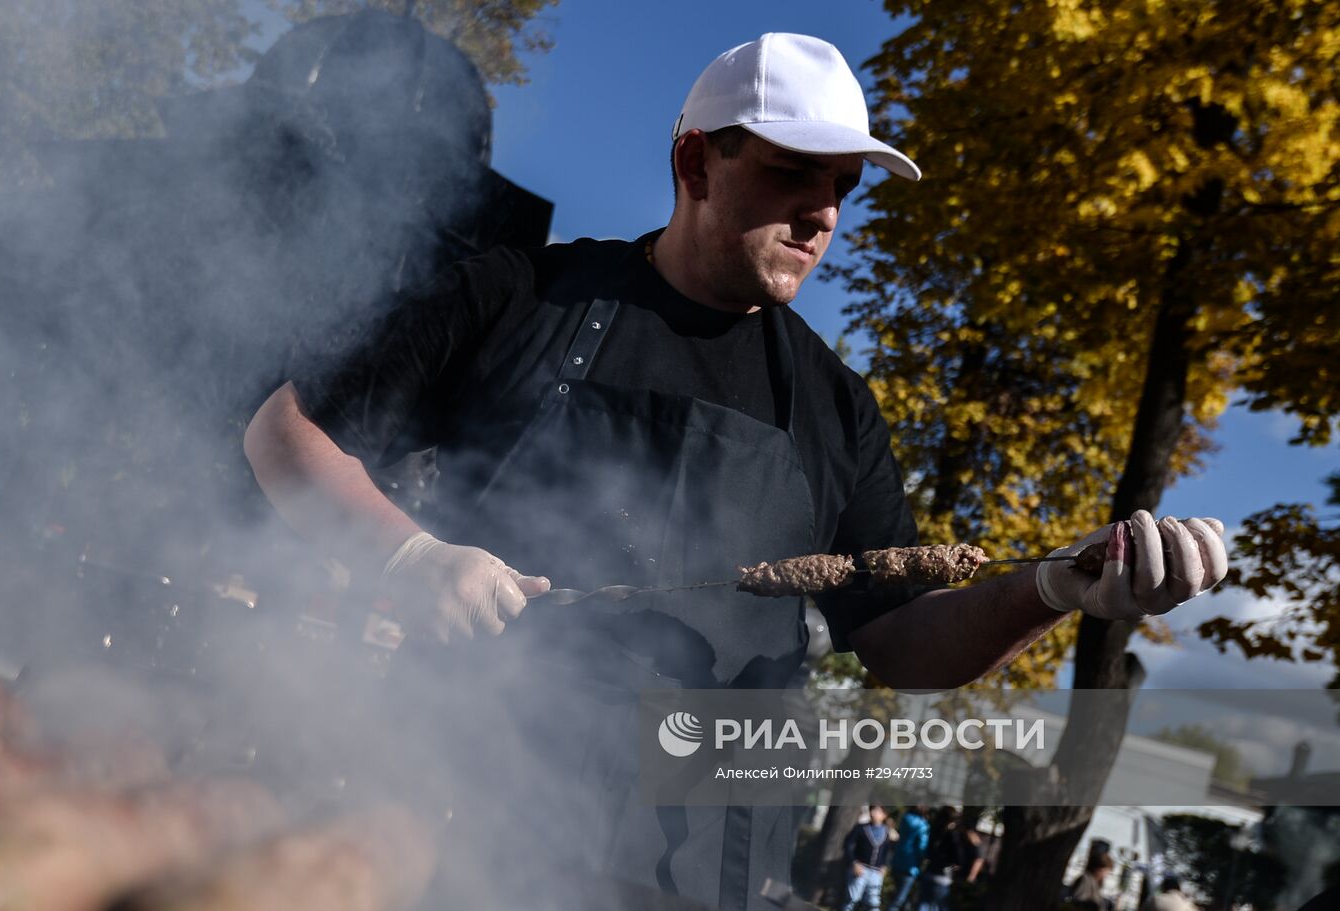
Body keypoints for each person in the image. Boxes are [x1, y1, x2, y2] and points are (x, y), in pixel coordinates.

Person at [243, 30, 1232, 911]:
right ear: (693, 160)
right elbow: (285, 433)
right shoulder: (521, 295)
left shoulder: (834, 403)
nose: (823, 214)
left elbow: (898, 644)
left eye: (843, 185)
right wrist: (408, 555)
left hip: (699, 866)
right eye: (793, 172)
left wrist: (1051, 586)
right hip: (460, 824)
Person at [844, 805, 894, 911]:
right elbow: (848, 845)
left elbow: (887, 852)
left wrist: (885, 866)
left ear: (884, 815)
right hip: (861, 869)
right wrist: (854, 863)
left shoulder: (886, 832)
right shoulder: (861, 828)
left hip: (876, 873)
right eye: (873, 810)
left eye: (878, 811)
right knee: (852, 899)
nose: (874, 813)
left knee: (873, 903)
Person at [888, 805, 930, 911]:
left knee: (903, 898)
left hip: (897, 861)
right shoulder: (923, 825)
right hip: (910, 866)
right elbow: (922, 847)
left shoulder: (905, 819)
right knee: (900, 899)